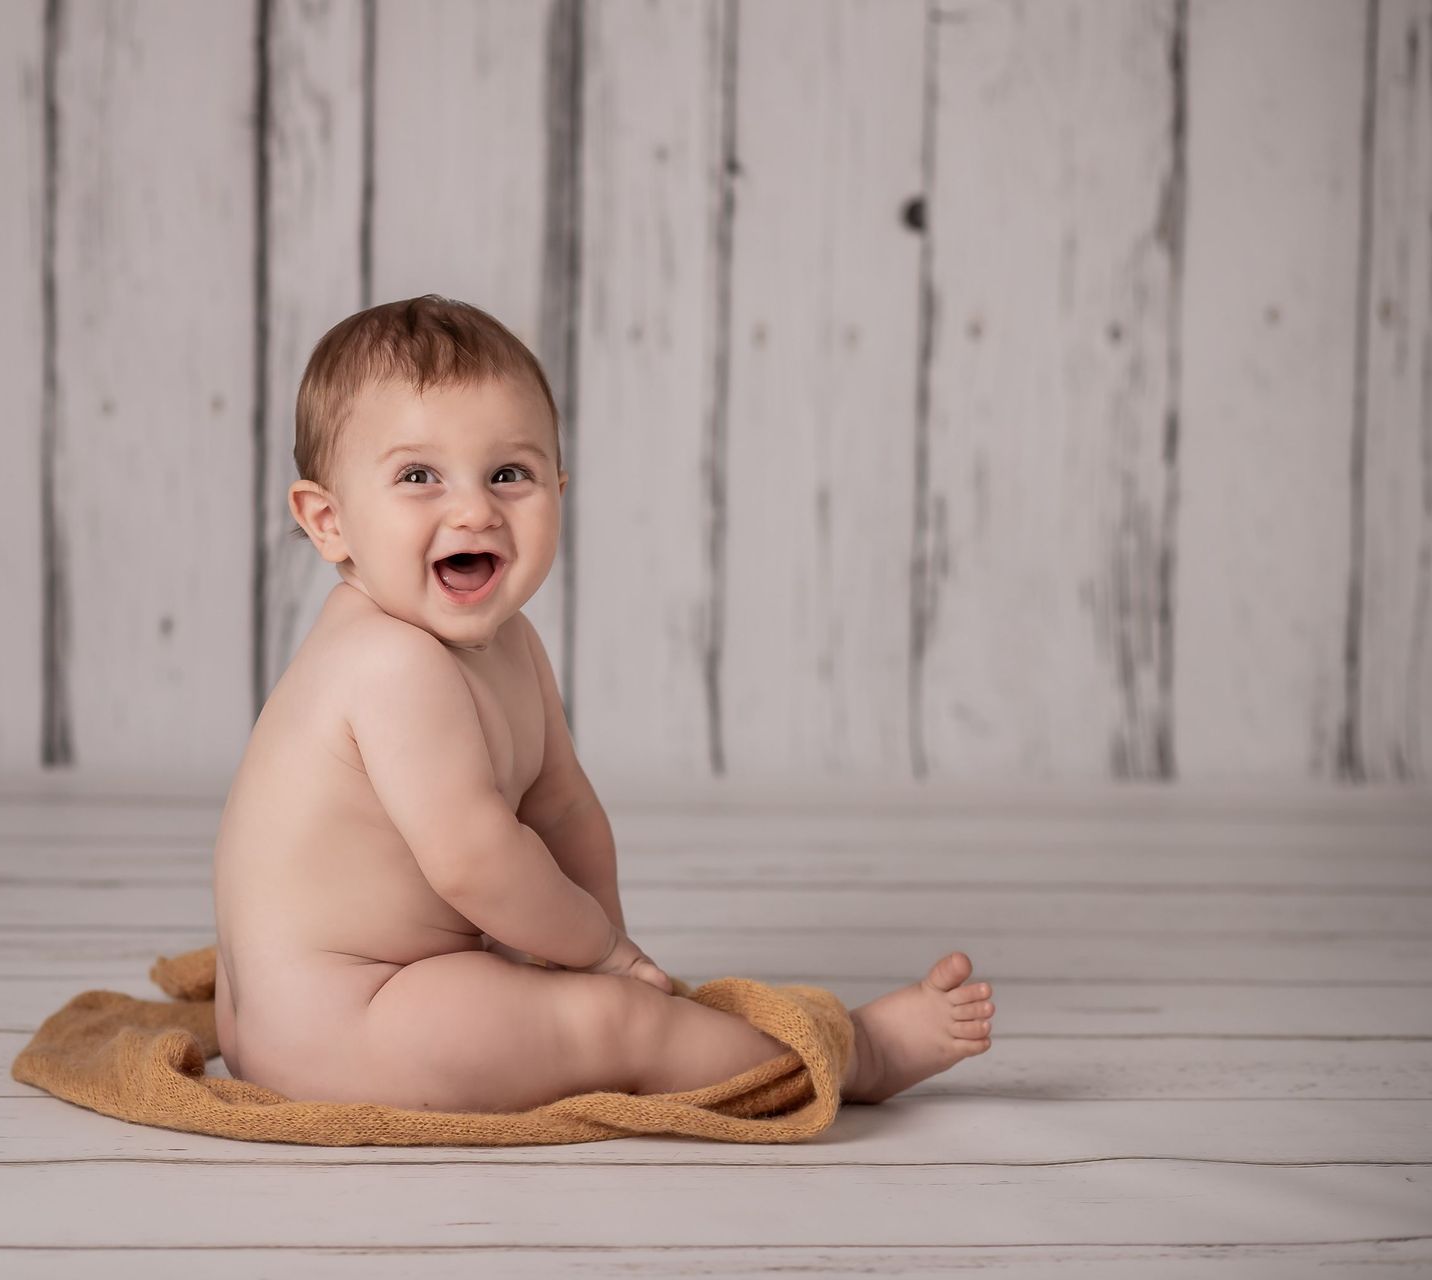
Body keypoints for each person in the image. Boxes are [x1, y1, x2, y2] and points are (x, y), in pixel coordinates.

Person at [210, 294, 994, 1113]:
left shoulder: (509, 644)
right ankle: (850, 1054)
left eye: (509, 474)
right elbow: (476, 859)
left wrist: (599, 944)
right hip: (342, 1021)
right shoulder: (388, 662)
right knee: (615, 1029)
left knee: (602, 996)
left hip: (327, 1007)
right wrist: (604, 962)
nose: (474, 509)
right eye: (418, 476)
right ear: (329, 521)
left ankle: (642, 1010)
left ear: (558, 485)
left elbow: (563, 804)